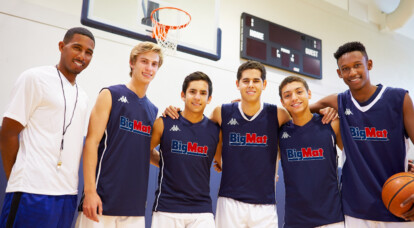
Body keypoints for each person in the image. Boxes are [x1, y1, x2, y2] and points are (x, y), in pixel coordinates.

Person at [165, 60, 291, 227]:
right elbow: (201, 133)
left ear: (264, 84)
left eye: (256, 81)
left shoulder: (279, 114)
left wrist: (272, 164)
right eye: (245, 81)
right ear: (237, 84)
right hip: (229, 201)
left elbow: (292, 140)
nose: (250, 85)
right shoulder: (222, 112)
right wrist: (219, 159)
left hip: (265, 204)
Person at [310, 41, 414, 227]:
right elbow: (299, 112)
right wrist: (240, 107)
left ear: (369, 64)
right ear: (339, 73)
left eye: (357, 65)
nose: (352, 73)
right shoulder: (338, 101)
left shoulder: (399, 99)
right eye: (345, 68)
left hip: (399, 205)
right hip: (355, 208)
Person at [0, 27, 95, 227]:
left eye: (88, 52)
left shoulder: (83, 96)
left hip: (66, 196)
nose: (82, 56)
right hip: (31, 191)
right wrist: (18, 179)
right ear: (62, 47)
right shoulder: (34, 78)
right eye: (77, 48)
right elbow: (8, 133)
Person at [76, 42, 163, 228]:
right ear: (132, 63)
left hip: (134, 207)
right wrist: (90, 192)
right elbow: (91, 143)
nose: (149, 68)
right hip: (100, 201)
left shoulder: (152, 110)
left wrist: (183, 160)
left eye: (154, 64)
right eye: (144, 61)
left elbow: (146, 152)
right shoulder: (110, 94)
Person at [149, 72, 221, 228]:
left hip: (202, 211)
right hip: (167, 209)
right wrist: (165, 163)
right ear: (183, 95)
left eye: (203, 93)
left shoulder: (215, 131)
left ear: (209, 99)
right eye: (192, 92)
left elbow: (225, 161)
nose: (197, 97)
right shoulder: (164, 123)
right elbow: (144, 151)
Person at [278, 76, 344, 228]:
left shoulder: (331, 123)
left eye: (299, 92)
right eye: (287, 95)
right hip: (295, 220)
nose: (294, 98)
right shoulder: (280, 132)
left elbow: (356, 155)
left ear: (309, 93)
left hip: (332, 218)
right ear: (282, 102)